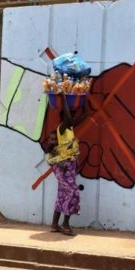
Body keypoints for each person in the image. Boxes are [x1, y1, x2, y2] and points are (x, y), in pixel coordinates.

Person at [45, 93, 89, 235]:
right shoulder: (61, 129)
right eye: (70, 115)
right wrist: (63, 96)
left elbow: (86, 114)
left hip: (69, 166)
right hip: (61, 166)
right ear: (65, 117)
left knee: (62, 194)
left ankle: (54, 224)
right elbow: (69, 118)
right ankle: (65, 225)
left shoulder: (70, 128)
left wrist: (85, 98)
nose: (73, 117)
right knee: (72, 192)